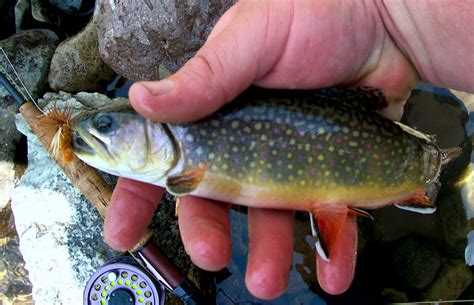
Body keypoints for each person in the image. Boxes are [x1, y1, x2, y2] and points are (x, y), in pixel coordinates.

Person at [102, 0, 473, 300]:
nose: (98, 133)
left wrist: (387, 15)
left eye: (106, 127)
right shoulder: (182, 164)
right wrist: (387, 14)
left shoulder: (184, 163)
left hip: (397, 150)